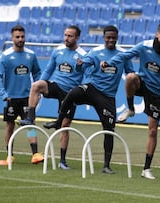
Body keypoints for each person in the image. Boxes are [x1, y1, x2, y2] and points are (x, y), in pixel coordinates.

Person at [55, 25, 134, 172]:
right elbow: (82, 67)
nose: (110, 40)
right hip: (92, 89)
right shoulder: (96, 52)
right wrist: (79, 65)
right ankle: (59, 121)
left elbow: (131, 73)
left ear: (117, 38)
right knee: (73, 93)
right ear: (103, 38)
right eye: (108, 37)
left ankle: (106, 165)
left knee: (109, 129)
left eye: (113, 37)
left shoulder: (123, 54)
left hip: (108, 97)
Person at [101, 23, 160, 179]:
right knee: (131, 77)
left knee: (153, 131)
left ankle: (146, 168)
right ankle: (130, 109)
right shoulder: (144, 46)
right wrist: (110, 63)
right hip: (142, 83)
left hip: (155, 92)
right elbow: (124, 56)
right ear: (157, 34)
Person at [18, 25, 87, 170]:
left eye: (70, 36)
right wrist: (41, 84)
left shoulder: (83, 55)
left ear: (77, 38)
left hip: (69, 93)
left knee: (64, 127)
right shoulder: (58, 50)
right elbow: (49, 69)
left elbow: (85, 75)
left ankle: (62, 160)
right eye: (65, 35)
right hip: (56, 86)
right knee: (36, 85)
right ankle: (30, 117)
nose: (66, 38)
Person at [0, 25, 43, 165]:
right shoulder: (5, 56)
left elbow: (37, 73)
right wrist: (3, 93)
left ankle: (35, 154)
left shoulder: (31, 55)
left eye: (22, 36)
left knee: (30, 124)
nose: (20, 39)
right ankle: (10, 156)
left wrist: (37, 90)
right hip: (11, 97)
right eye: (17, 37)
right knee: (10, 125)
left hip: (28, 97)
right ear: (12, 38)